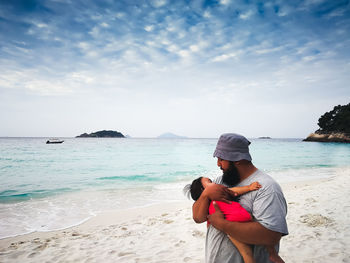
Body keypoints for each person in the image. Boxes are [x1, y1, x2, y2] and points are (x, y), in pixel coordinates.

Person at [192, 133, 288, 263]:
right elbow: (198, 217)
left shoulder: (267, 188)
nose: (218, 164)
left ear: (236, 159)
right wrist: (205, 194)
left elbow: (271, 236)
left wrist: (222, 224)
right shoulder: (220, 181)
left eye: (221, 159)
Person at [185, 176, 284, 263]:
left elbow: (233, 191)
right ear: (203, 189)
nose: (214, 182)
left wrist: (249, 188)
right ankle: (273, 254)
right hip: (243, 219)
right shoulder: (210, 199)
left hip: (233, 225)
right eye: (209, 182)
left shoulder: (215, 195)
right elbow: (234, 191)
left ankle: (272, 254)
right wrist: (248, 188)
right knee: (255, 246)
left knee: (246, 253)